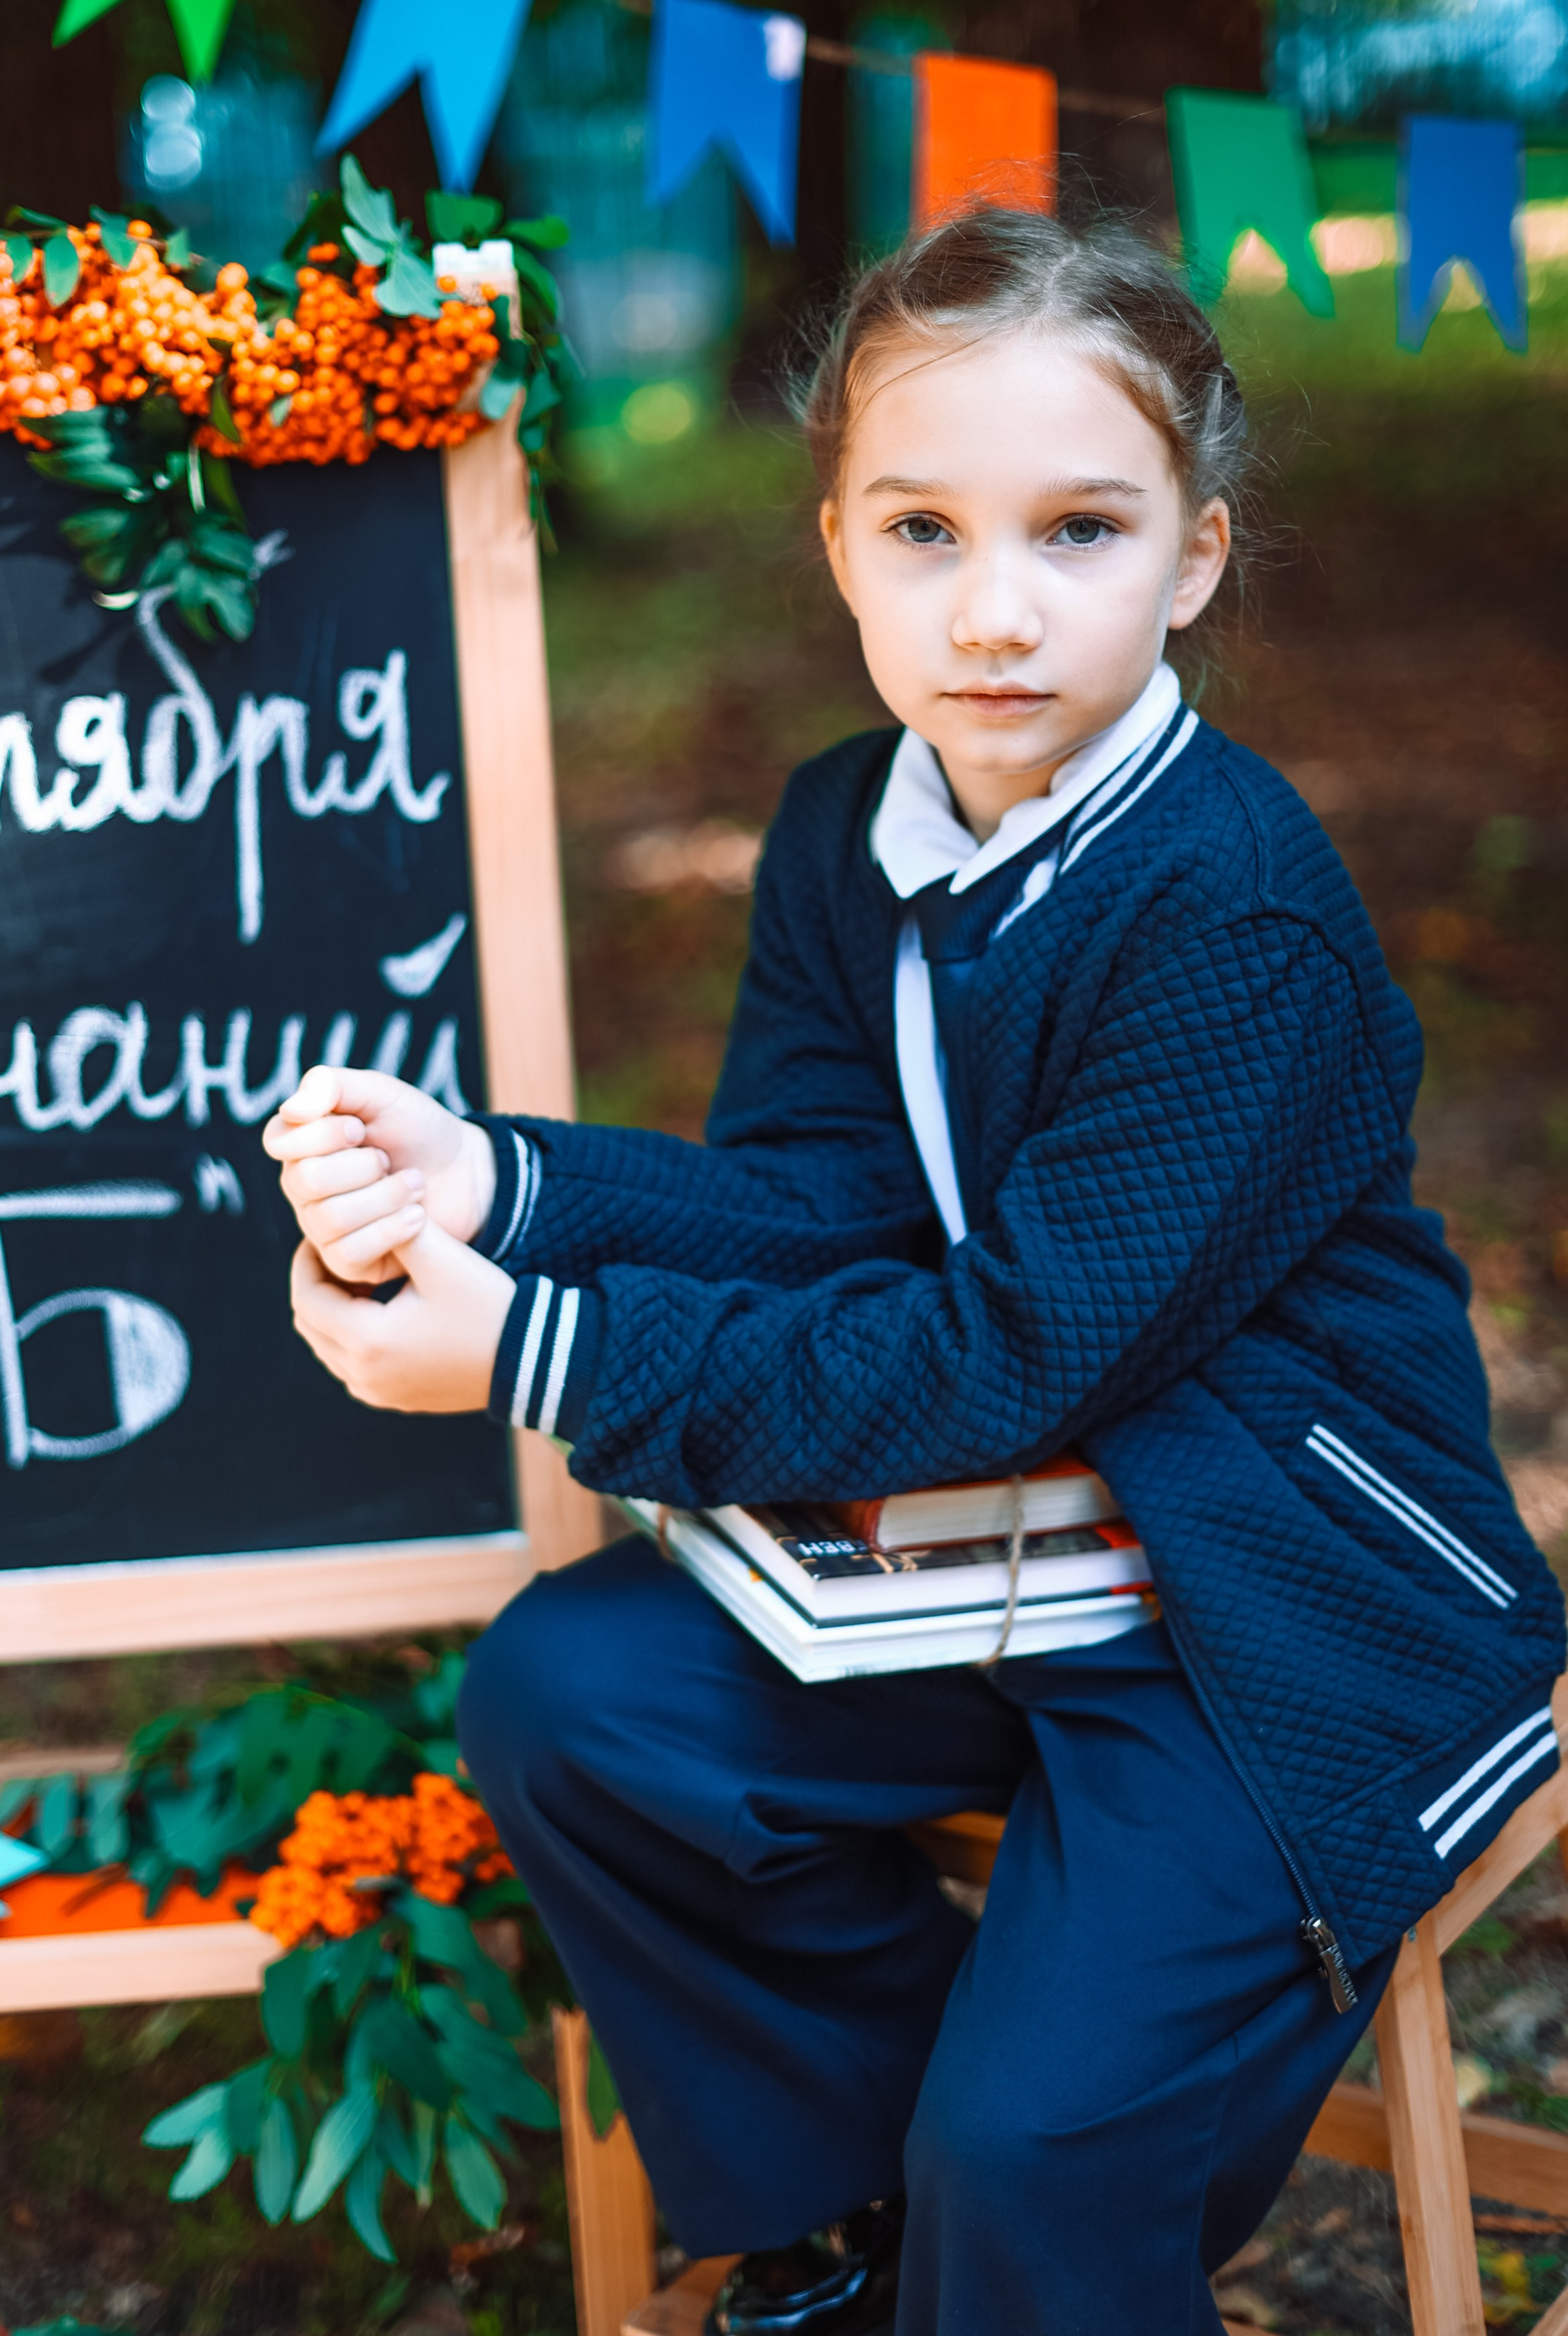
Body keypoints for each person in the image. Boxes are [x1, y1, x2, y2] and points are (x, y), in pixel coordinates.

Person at [264, 209, 1563, 2336]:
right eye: (925, 529)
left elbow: (1006, 1347)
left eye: (1079, 531)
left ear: (1198, 557)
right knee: (578, 1698)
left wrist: (539, 1345)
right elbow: (812, 1205)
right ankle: (870, 2237)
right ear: (838, 549)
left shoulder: (1232, 911)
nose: (997, 608)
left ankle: (1000, 2192)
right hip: (1002, 1548)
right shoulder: (843, 828)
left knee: (1035, 2141)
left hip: (1267, 1598)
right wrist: (499, 1184)